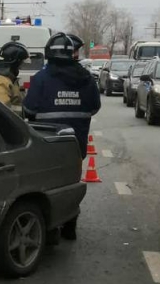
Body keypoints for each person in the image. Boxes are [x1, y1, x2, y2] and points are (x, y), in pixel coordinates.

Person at [23, 31, 101, 239]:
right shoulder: (86, 78)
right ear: (71, 54)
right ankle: (69, 225)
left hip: (46, 145)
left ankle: (50, 231)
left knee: (47, 186)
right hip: (76, 144)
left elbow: (29, 109)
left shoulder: (41, 78)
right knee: (71, 183)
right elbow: (94, 107)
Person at [0, 40, 29, 114]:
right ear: (15, 63)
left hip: (14, 123)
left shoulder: (8, 80)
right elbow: (0, 110)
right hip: (6, 124)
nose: (21, 67)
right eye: (20, 64)